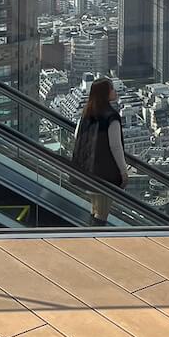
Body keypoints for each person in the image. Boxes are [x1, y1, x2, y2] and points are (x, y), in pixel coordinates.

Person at [71, 77, 128, 226]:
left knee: (95, 208)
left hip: (86, 169)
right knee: (102, 213)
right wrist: (123, 171)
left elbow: (78, 136)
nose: (115, 91)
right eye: (112, 89)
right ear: (105, 93)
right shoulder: (111, 117)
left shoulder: (86, 113)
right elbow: (115, 146)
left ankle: (91, 235)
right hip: (105, 173)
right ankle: (95, 239)